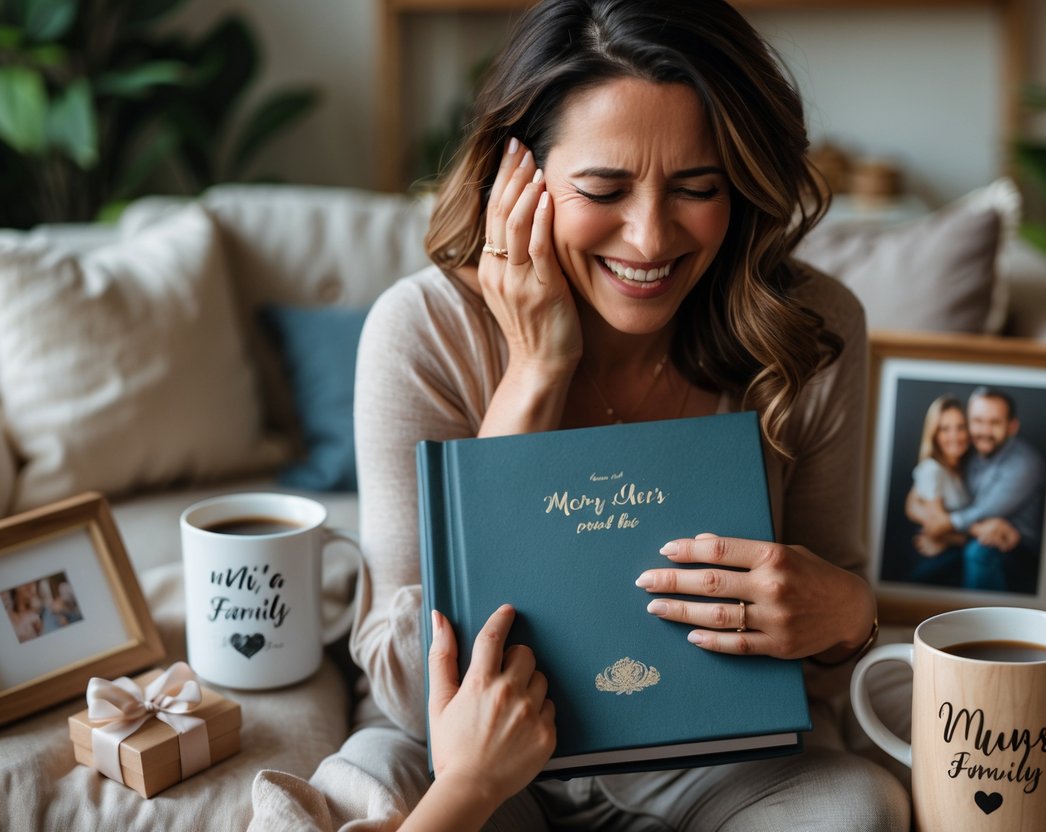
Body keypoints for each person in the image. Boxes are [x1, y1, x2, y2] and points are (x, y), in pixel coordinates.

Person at [348, 0, 906, 828]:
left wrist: (846, 613)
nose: (649, 239)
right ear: (519, 179)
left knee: (858, 806)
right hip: (469, 757)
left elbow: (821, 651)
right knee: (360, 790)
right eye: (603, 189)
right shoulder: (422, 330)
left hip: (722, 762)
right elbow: (401, 683)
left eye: (696, 188)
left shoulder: (811, 330)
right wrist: (536, 369)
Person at [912, 387, 1045, 594]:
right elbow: (914, 500)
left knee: (977, 552)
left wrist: (942, 530)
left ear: (1012, 427)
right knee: (926, 571)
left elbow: (984, 511)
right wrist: (948, 534)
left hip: (1017, 545)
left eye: (994, 423)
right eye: (978, 421)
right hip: (977, 534)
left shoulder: (1025, 463)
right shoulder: (968, 455)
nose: (984, 430)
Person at [902, 395, 971, 586]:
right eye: (944, 429)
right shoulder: (932, 470)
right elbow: (936, 527)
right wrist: (955, 539)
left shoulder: (961, 469)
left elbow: (911, 505)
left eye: (960, 427)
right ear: (934, 434)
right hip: (936, 561)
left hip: (953, 558)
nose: (954, 436)